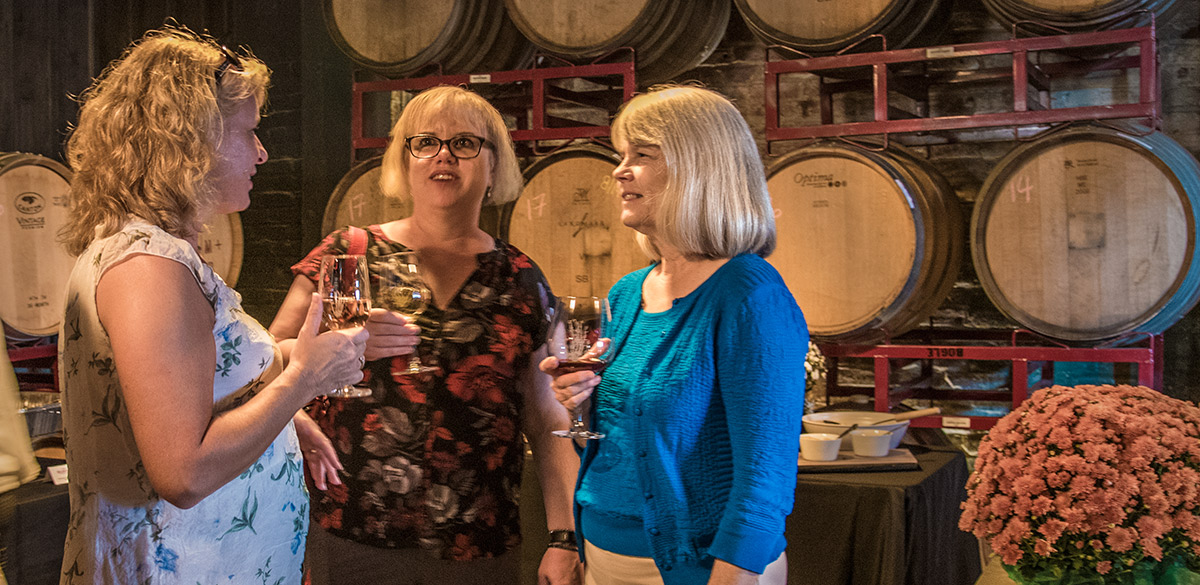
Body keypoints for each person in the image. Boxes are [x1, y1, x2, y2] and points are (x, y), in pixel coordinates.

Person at [56, 26, 368, 584]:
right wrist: (300, 381)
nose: (262, 151)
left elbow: (196, 384)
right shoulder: (148, 265)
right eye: (248, 132)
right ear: (189, 139)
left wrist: (288, 381)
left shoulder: (156, 252)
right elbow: (183, 472)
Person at [269, 85, 583, 585]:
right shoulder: (348, 253)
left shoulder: (520, 278)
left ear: (494, 164)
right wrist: (336, 348)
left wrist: (565, 536)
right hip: (351, 531)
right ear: (404, 159)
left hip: (477, 544)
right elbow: (269, 359)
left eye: (464, 143)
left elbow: (547, 421)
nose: (443, 155)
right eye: (425, 142)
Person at [540, 85, 808, 585]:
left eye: (642, 154)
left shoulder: (748, 294)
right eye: (622, 155)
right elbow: (621, 440)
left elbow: (765, 477)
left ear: (700, 168)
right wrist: (578, 403)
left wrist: (731, 577)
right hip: (604, 557)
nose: (620, 170)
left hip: (697, 567)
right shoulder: (627, 293)